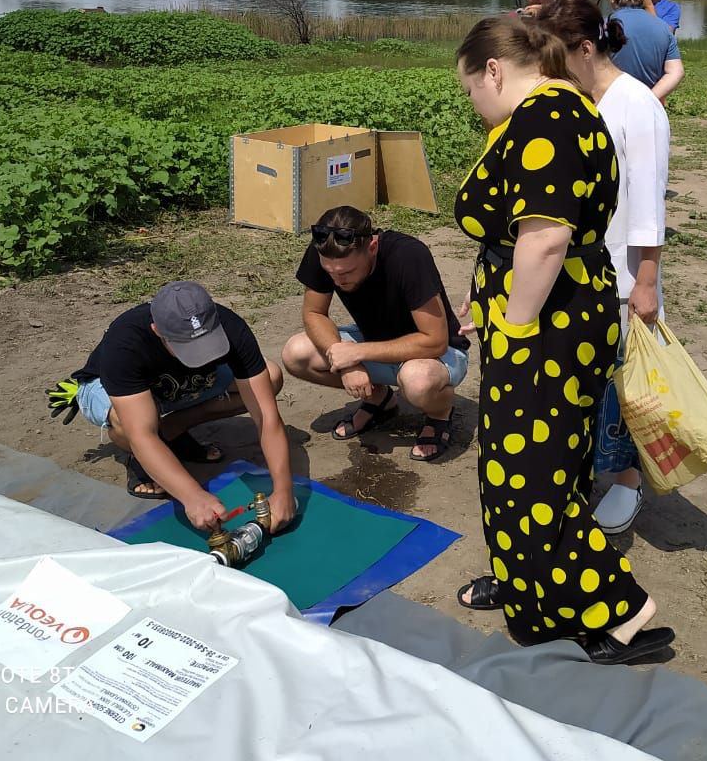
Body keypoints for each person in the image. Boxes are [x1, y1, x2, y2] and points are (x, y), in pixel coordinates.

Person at [452, 15, 673, 665]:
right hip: (555, 319)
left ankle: (622, 614)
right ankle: (532, 589)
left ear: (493, 69)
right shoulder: (569, 110)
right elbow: (520, 235)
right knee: (533, 469)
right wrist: (488, 298)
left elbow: (546, 238)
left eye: (471, 90)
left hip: (547, 330)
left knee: (531, 479)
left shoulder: (546, 117)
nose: (474, 104)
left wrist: (515, 328)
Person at [536, 0, 670, 534]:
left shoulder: (637, 106)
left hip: (621, 272)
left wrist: (647, 281)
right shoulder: (578, 101)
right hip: (579, 267)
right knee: (584, 379)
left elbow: (649, 202)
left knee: (618, 382)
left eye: (554, 57)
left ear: (586, 48)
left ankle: (626, 480)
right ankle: (590, 467)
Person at [66, 281, 293, 532]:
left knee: (269, 378)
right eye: (188, 347)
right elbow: (141, 435)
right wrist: (193, 497)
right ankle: (145, 459)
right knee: (126, 424)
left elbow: (266, 416)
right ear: (157, 331)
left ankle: (176, 426)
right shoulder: (125, 343)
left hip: (180, 385)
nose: (203, 354)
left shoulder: (231, 326)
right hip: (111, 390)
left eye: (208, 342)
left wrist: (283, 490)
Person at [281, 206, 469, 462]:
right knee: (296, 354)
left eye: (346, 273)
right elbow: (314, 313)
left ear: (372, 247)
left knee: (417, 381)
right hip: (374, 341)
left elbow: (434, 341)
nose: (337, 281)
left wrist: (356, 353)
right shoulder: (325, 252)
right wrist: (347, 364)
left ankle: (439, 413)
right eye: (330, 273)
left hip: (437, 353)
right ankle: (379, 399)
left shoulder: (409, 255)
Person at [607, 0, 684, 105]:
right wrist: (649, 99)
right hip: (652, 110)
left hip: (612, 105)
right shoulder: (663, 29)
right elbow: (676, 72)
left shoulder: (606, 27)